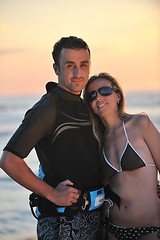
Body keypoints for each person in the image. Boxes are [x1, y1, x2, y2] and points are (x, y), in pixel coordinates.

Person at [0, 36, 105, 240]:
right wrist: (52, 194)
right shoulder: (47, 108)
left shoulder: (86, 106)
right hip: (63, 223)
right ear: (56, 68)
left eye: (83, 65)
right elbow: (9, 160)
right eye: (69, 65)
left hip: (94, 218)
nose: (77, 73)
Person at [83, 72, 160, 240]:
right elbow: (103, 185)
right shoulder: (99, 142)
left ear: (117, 95)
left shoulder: (141, 124)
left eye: (104, 91)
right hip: (113, 230)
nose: (99, 97)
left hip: (149, 229)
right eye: (92, 95)